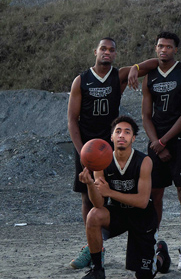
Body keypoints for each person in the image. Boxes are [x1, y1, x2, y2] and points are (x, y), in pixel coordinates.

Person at [68, 38, 160, 269]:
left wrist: (136, 69)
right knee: (87, 195)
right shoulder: (81, 80)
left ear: (115, 54)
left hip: (113, 145)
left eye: (111, 50)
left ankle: (143, 239)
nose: (107, 52)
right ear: (95, 51)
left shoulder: (117, 76)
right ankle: (92, 247)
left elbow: (154, 63)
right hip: (88, 147)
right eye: (103, 49)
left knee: (116, 189)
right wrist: (82, 153)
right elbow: (72, 119)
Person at [78, 116, 170, 279]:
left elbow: (142, 202)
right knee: (93, 214)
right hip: (119, 213)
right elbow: (99, 203)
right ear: (111, 137)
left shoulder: (144, 161)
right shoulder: (102, 161)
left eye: (127, 132)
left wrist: (111, 193)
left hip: (143, 217)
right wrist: (90, 184)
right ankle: (97, 269)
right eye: (118, 131)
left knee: (144, 275)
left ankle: (161, 255)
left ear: (133, 138)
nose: (122, 135)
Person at [141, 32, 181, 269]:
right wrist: (156, 142)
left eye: (168, 46)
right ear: (155, 49)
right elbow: (145, 115)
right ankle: (153, 245)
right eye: (159, 46)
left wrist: (163, 141)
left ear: (176, 49)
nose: (163, 50)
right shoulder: (149, 77)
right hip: (157, 140)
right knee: (154, 196)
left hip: (180, 139)